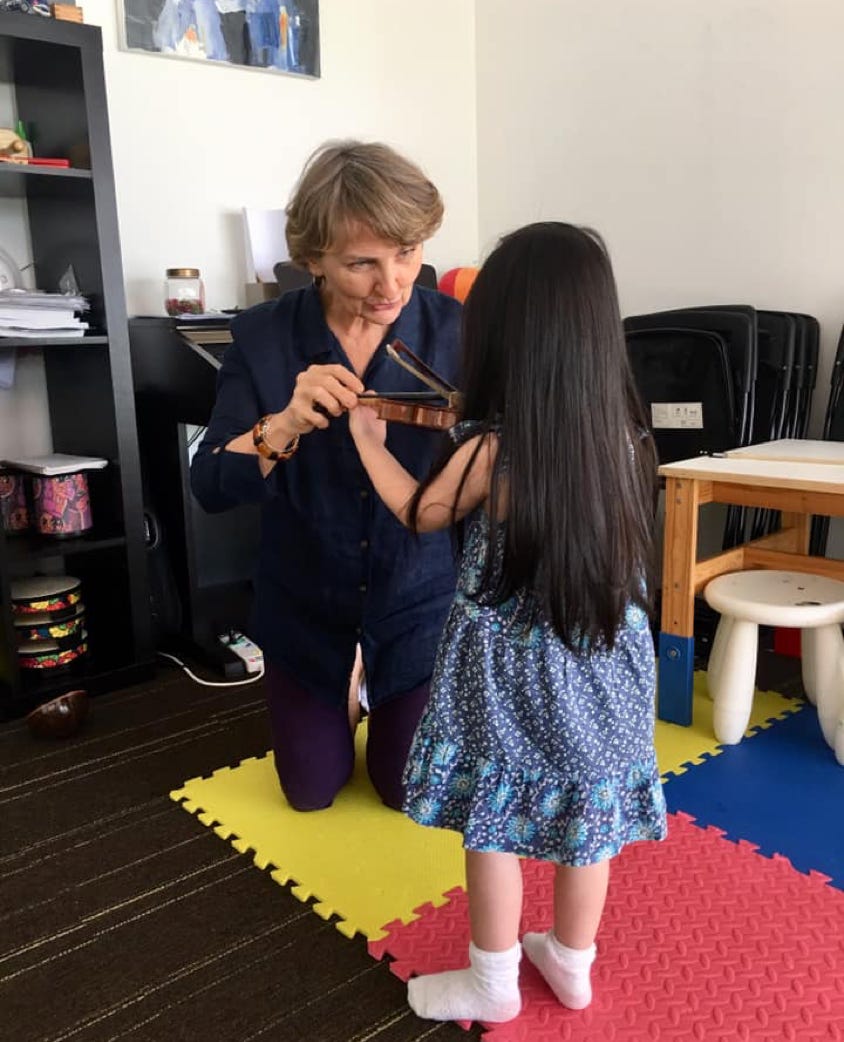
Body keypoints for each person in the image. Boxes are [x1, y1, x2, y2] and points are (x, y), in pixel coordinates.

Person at [348, 221, 668, 1024]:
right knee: (585, 819)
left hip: (511, 670)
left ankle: (491, 978)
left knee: (491, 821)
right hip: (604, 664)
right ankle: (571, 959)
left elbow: (417, 512)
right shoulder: (624, 436)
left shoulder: (496, 446)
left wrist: (366, 439)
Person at [190, 140, 462, 812]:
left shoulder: (458, 329)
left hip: (419, 604)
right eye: (361, 264)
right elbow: (209, 483)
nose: (392, 284)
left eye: (408, 253)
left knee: (405, 794)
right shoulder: (262, 335)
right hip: (305, 605)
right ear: (313, 259)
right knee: (310, 793)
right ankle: (339, 684)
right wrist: (281, 424)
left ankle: (381, 679)